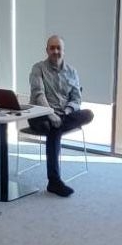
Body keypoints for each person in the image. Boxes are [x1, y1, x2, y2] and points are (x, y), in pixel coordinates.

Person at [27, 35, 96, 197]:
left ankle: (53, 181)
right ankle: (54, 181)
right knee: (51, 126)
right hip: (40, 114)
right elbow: (38, 95)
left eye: (58, 48)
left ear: (63, 51)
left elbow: (76, 98)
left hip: (63, 115)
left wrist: (65, 113)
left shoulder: (72, 71)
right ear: (47, 50)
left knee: (88, 114)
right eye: (52, 48)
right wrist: (51, 114)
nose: (55, 51)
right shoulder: (38, 69)